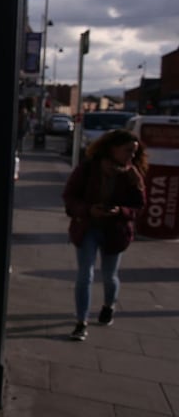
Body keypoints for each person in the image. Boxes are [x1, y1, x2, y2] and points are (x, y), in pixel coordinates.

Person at [62, 128, 147, 341]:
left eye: (134, 152)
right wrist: (88, 210)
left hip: (115, 231)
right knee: (85, 275)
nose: (131, 156)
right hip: (88, 226)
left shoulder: (132, 174)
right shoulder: (89, 168)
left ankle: (109, 306)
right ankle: (81, 322)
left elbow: (139, 206)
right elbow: (69, 196)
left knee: (109, 276)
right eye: (128, 151)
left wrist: (121, 211)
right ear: (113, 149)